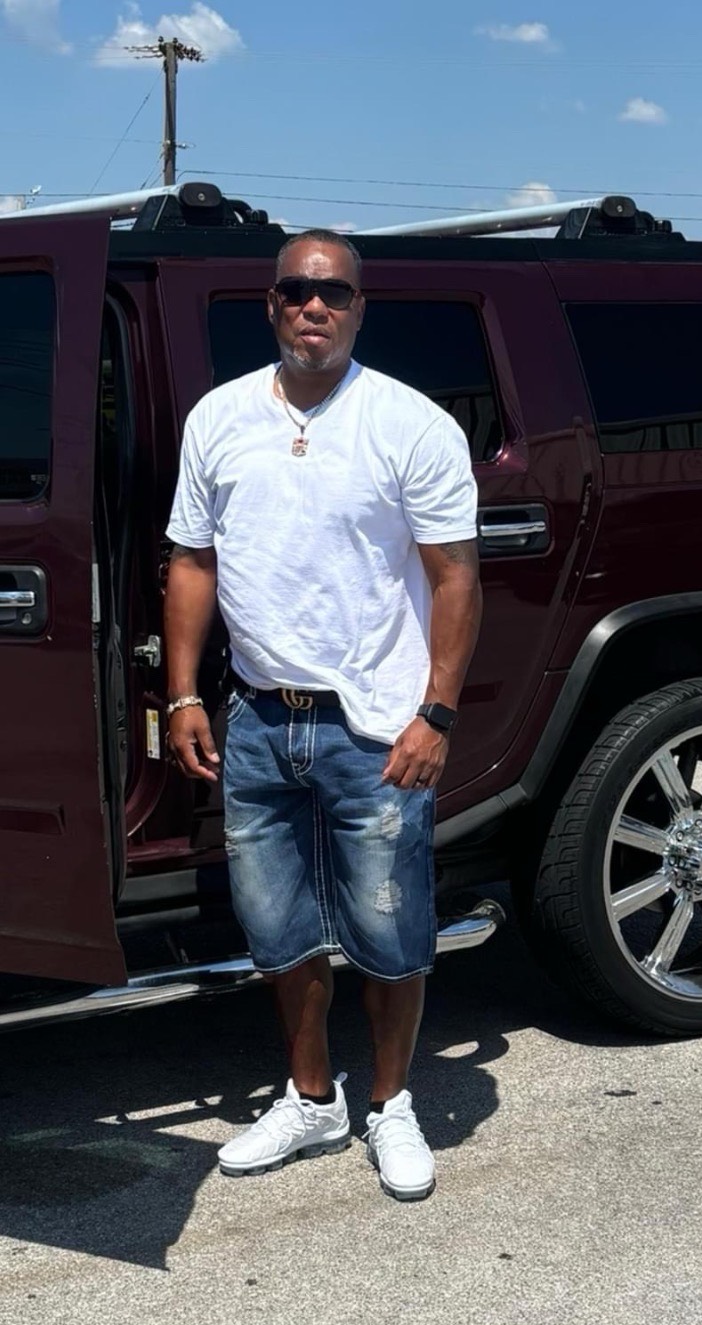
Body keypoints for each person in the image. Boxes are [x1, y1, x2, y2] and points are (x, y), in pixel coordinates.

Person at [164, 228, 482, 1201]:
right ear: (271, 303)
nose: (315, 306)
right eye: (299, 290)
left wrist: (435, 713)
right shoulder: (220, 418)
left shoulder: (410, 424)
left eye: (334, 292)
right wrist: (183, 691)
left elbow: (455, 576)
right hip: (258, 718)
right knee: (278, 927)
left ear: (357, 307)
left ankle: (390, 1101)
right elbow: (192, 561)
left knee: (391, 930)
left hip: (376, 724)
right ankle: (313, 1098)